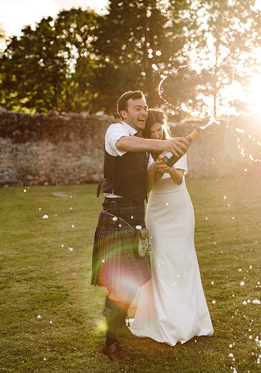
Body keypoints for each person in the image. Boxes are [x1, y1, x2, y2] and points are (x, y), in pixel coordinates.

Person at [91, 92, 189, 364]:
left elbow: (146, 187)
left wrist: (160, 167)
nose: (143, 112)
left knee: (135, 280)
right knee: (122, 285)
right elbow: (124, 144)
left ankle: (115, 317)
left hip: (136, 214)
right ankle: (111, 344)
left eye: (145, 107)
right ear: (124, 113)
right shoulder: (117, 131)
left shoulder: (146, 146)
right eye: (137, 108)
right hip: (116, 215)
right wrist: (167, 141)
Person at [129, 109, 214, 346]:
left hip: (180, 210)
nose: (157, 135)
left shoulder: (178, 146)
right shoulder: (144, 154)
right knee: (161, 263)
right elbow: (145, 190)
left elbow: (179, 179)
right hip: (157, 212)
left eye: (159, 130)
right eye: (153, 133)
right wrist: (152, 172)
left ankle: (188, 319)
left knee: (183, 261)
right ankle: (163, 319)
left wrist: (170, 169)